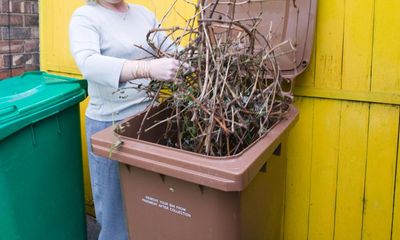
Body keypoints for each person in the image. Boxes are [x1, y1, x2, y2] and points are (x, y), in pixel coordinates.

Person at [69, 0, 181, 239]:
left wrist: (191, 62)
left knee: (150, 203)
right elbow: (89, 64)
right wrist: (146, 69)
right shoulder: (85, 17)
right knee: (115, 216)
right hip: (110, 127)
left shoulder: (144, 15)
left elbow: (172, 50)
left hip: (149, 120)